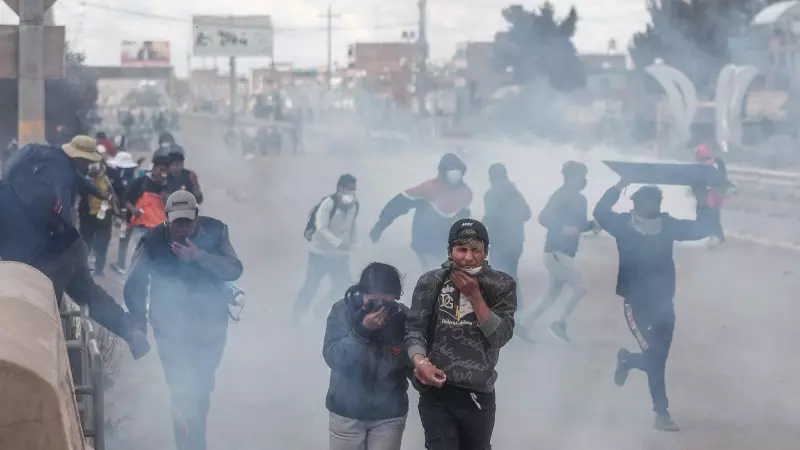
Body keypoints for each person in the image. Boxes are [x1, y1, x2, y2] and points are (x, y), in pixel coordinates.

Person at [124, 190, 243, 450]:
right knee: (179, 383)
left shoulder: (216, 231)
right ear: (167, 218)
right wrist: (139, 325)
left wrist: (200, 257)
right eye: (177, 222)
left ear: (197, 217)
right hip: (169, 324)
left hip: (210, 322)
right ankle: (188, 442)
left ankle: (197, 421)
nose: (183, 227)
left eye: (188, 221)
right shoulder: (152, 241)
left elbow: (234, 269)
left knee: (203, 382)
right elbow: (134, 284)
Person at [593, 179, 710, 432]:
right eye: (648, 201)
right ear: (636, 203)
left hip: (664, 304)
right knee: (655, 359)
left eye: (656, 201)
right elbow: (599, 213)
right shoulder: (623, 224)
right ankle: (662, 412)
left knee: (658, 358)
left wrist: (702, 197)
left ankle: (628, 360)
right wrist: (618, 186)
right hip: (635, 305)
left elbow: (702, 228)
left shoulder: (667, 226)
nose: (653, 205)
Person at [0, 176, 149, 359]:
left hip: (43, 268)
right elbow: (59, 207)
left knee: (37, 321)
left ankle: (50, 373)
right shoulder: (24, 181)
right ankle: (129, 329)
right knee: (90, 294)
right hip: (71, 246)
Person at [406, 219, 516, 449]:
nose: (468, 258)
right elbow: (415, 329)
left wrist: (475, 295)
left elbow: (500, 337)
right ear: (450, 251)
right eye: (461, 250)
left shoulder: (501, 284)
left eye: (475, 250)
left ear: (486, 252)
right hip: (436, 391)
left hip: (478, 393)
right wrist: (420, 363)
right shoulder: (431, 281)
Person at [323, 262, 410, 450]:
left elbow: (411, 362)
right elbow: (333, 357)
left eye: (386, 302)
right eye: (374, 301)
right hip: (346, 412)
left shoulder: (402, 316)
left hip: (389, 415)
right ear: (362, 293)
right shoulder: (342, 310)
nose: (379, 309)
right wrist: (362, 332)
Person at [516, 161, 598, 343]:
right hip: (556, 252)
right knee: (580, 288)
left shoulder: (579, 199)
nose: (583, 180)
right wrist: (563, 227)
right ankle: (559, 323)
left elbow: (579, 225)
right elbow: (543, 217)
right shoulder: (561, 196)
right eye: (580, 176)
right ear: (570, 177)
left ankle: (524, 325)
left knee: (551, 294)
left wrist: (592, 225)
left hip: (564, 253)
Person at [370, 153, 472, 271]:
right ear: (443, 171)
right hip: (425, 240)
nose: (455, 173)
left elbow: (463, 215)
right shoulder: (428, 189)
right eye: (451, 169)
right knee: (435, 272)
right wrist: (380, 225)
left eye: (457, 170)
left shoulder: (465, 192)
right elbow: (398, 204)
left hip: (447, 242)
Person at [294, 174, 359, 321]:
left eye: (354, 190)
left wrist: (353, 242)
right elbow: (321, 228)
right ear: (340, 188)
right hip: (320, 253)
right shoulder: (329, 203)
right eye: (349, 189)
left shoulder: (354, 205)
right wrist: (338, 243)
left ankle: (321, 308)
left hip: (339, 255)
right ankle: (297, 314)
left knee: (344, 285)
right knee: (311, 285)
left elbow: (352, 224)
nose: (352, 193)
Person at [111, 150, 170, 275]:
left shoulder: (169, 187)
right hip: (141, 225)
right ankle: (132, 271)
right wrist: (133, 210)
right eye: (161, 170)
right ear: (154, 169)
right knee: (141, 250)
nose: (163, 174)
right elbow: (126, 199)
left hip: (160, 228)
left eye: (166, 171)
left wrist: (167, 199)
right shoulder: (141, 181)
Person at [481, 163, 531, 280]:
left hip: (499, 243)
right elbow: (527, 214)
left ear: (491, 178)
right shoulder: (515, 193)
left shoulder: (491, 194)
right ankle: (516, 298)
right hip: (516, 242)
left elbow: (491, 216)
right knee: (510, 274)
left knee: (499, 276)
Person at [78, 161, 118, 276]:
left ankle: (99, 269)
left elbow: (114, 194)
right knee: (86, 242)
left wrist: (117, 213)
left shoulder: (107, 178)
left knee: (103, 243)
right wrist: (89, 176)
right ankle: (83, 269)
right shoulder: (83, 177)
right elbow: (80, 192)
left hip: (105, 215)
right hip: (87, 215)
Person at [692, 144, 729, 248]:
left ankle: (716, 237)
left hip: (713, 195)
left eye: (697, 154)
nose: (696, 157)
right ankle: (716, 236)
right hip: (713, 195)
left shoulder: (709, 164)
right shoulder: (711, 163)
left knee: (711, 216)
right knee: (712, 216)